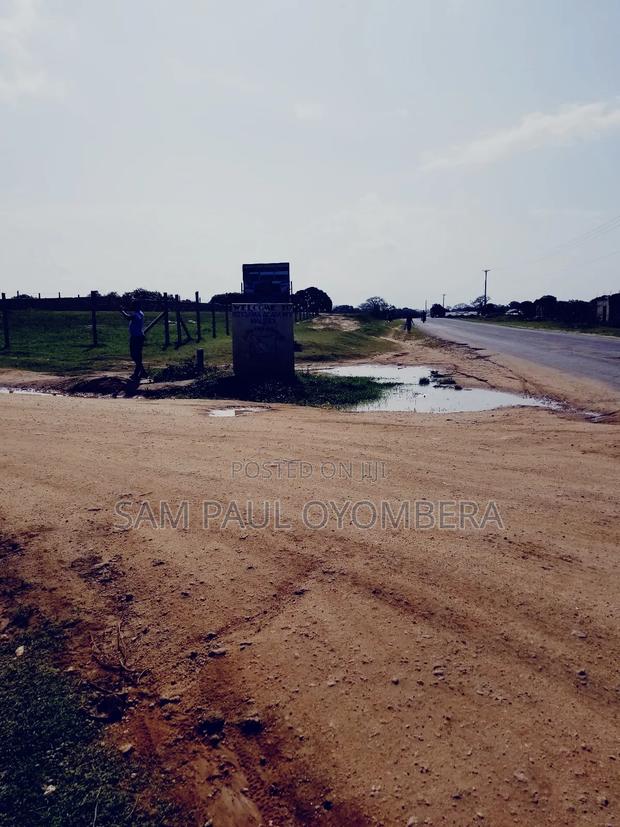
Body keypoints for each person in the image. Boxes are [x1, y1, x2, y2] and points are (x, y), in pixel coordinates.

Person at [120, 300, 147, 380]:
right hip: (136, 336)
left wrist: (122, 311)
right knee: (135, 355)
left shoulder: (138, 314)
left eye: (133, 305)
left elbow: (129, 317)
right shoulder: (139, 313)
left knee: (136, 355)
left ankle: (137, 373)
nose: (132, 306)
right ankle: (143, 372)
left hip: (137, 337)